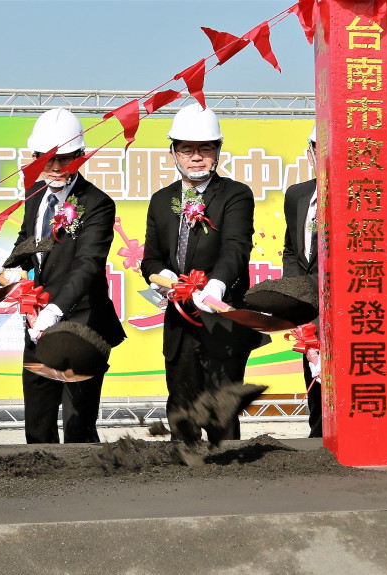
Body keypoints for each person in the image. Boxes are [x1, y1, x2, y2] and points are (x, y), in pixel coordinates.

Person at [0, 108, 125, 444]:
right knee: (37, 424)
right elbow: (31, 242)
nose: (55, 168)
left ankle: (85, 493)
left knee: (77, 424)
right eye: (47, 158)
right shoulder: (34, 195)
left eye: (65, 159)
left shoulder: (98, 204)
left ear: (81, 156)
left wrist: (54, 311)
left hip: (82, 323)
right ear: (34, 157)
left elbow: (88, 265)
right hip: (35, 323)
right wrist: (10, 266)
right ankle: (40, 492)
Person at [142, 103, 268, 443]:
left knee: (221, 413)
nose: (195, 157)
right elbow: (150, 260)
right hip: (180, 326)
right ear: (174, 153)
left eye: (204, 149)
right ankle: (185, 473)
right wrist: (167, 278)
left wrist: (214, 286)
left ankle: (228, 484)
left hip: (221, 325)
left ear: (217, 151)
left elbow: (235, 248)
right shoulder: (161, 200)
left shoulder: (234, 195)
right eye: (186, 149)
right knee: (181, 409)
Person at [281, 124, 322, 438]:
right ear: (310, 153)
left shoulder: (357, 197)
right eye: (318, 149)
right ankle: (319, 436)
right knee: (313, 378)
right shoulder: (297, 195)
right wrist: (295, 296)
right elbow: (293, 250)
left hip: (345, 308)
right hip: (308, 309)